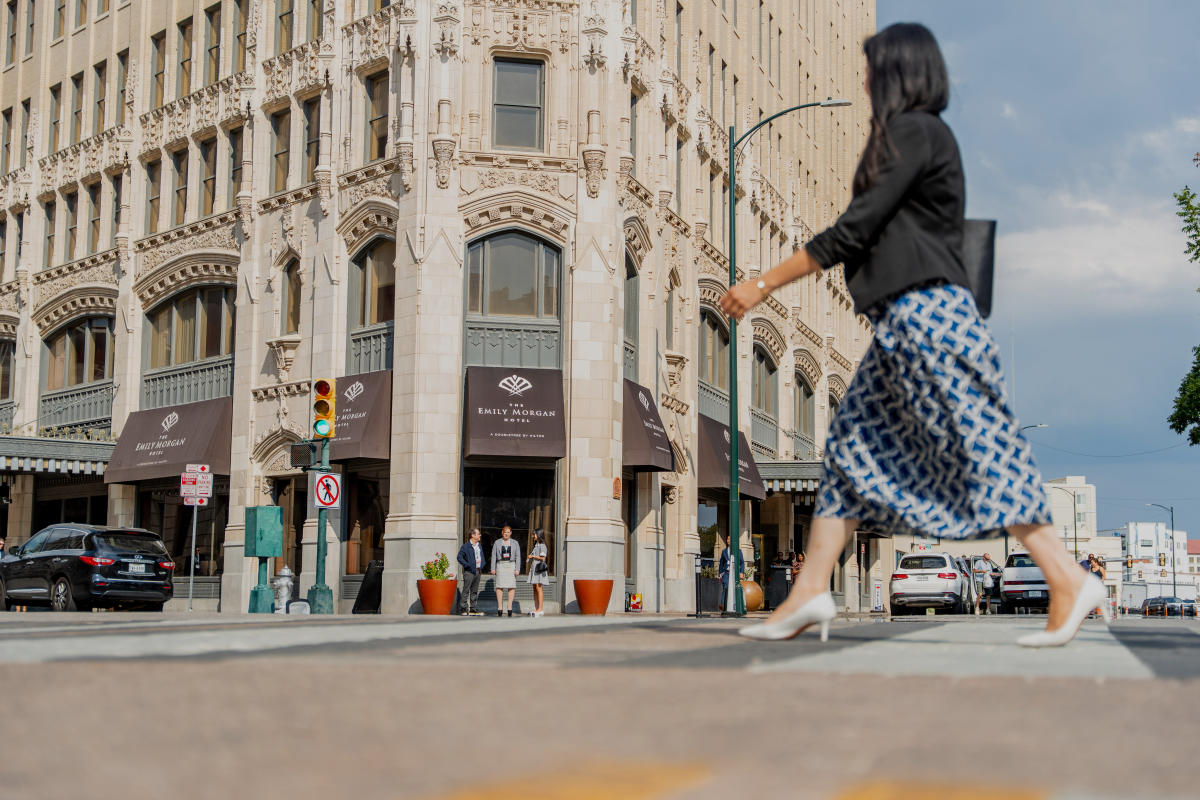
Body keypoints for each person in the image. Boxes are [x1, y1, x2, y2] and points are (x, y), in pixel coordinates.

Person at [729, 23, 1108, 648]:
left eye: (873, 69)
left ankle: (1067, 577)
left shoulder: (917, 131)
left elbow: (856, 228)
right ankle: (809, 593)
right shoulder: (909, 137)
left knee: (982, 447)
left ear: (899, 71)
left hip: (930, 318)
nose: (865, 80)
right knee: (851, 451)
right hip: (901, 325)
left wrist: (763, 283)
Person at [490, 525, 521, 617]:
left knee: (511, 586)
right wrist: (493, 568)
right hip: (500, 565)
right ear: (502, 533)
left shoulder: (515, 543)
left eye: (508, 532)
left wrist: (517, 569)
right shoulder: (497, 542)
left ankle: (509, 607)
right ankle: (500, 607)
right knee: (499, 586)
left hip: (511, 565)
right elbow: (494, 555)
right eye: (504, 532)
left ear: (510, 533)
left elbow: (518, 556)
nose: (506, 534)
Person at [455, 528, 486, 616]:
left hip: (478, 571)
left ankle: (473, 608)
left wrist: (482, 564)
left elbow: (481, 556)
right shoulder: (466, 546)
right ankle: (463, 608)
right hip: (469, 572)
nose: (480, 535)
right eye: (478, 534)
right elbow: (459, 557)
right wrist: (467, 565)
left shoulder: (479, 546)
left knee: (474, 591)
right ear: (473, 535)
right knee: (466, 590)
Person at [526, 530, 549, 616]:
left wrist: (533, 556)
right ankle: (536, 608)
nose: (533, 536)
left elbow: (543, 558)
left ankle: (540, 608)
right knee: (534, 589)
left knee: (539, 588)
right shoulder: (536, 545)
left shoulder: (542, 546)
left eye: (534, 534)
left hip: (538, 569)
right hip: (534, 568)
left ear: (539, 535)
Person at [717, 542, 745, 613]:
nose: (729, 540)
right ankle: (723, 605)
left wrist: (741, 572)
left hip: (735, 573)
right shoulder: (724, 551)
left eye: (730, 539)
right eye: (728, 539)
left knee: (736, 588)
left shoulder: (738, 551)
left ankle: (735, 606)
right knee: (725, 587)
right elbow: (721, 563)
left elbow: (742, 562)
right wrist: (720, 574)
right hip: (726, 573)